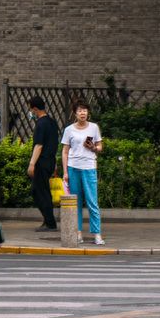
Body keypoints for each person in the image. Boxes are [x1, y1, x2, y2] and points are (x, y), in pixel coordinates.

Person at [60, 99, 105, 246]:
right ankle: (78, 233)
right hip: (73, 168)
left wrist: (94, 148)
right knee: (76, 203)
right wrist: (65, 172)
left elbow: (100, 147)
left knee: (92, 202)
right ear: (75, 113)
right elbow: (65, 152)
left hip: (89, 167)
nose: (82, 113)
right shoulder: (69, 130)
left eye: (85, 110)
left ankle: (97, 234)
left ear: (88, 112)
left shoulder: (94, 128)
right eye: (79, 110)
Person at [26, 96, 60, 234]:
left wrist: (32, 164)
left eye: (31, 109)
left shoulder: (41, 124)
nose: (30, 112)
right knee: (41, 191)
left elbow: (39, 145)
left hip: (41, 162)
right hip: (50, 161)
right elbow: (54, 144)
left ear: (34, 108)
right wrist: (55, 164)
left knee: (40, 192)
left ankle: (50, 223)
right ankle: (47, 220)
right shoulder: (52, 122)